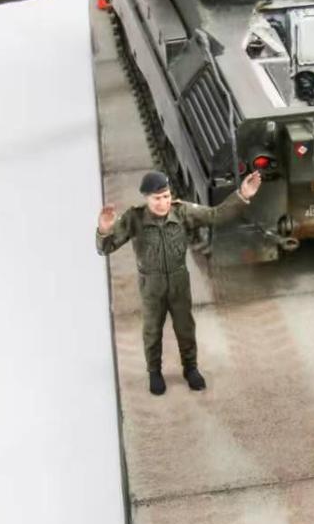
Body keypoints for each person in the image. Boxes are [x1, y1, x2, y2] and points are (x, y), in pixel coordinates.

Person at [96, 168, 262, 395]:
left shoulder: (182, 212)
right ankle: (154, 372)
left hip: (179, 283)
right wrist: (104, 230)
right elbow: (105, 249)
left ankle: (190, 368)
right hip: (151, 286)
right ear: (146, 198)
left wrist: (242, 195)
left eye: (166, 196)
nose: (163, 203)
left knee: (185, 328)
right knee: (152, 331)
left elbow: (215, 215)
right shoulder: (134, 218)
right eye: (156, 198)